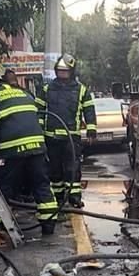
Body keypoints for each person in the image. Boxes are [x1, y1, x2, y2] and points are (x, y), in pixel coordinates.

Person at [0, 72, 58, 235]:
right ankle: (49, 225)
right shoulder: (24, 92)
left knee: (3, 187)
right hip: (37, 146)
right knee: (41, 184)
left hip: (12, 149)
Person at [37, 54, 96, 207]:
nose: (62, 74)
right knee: (54, 170)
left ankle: (74, 198)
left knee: (72, 169)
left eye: (65, 71)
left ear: (72, 71)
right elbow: (39, 111)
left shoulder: (81, 90)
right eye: (60, 71)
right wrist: (39, 132)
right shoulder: (46, 88)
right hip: (51, 137)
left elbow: (89, 110)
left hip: (72, 137)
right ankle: (57, 197)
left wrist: (91, 130)